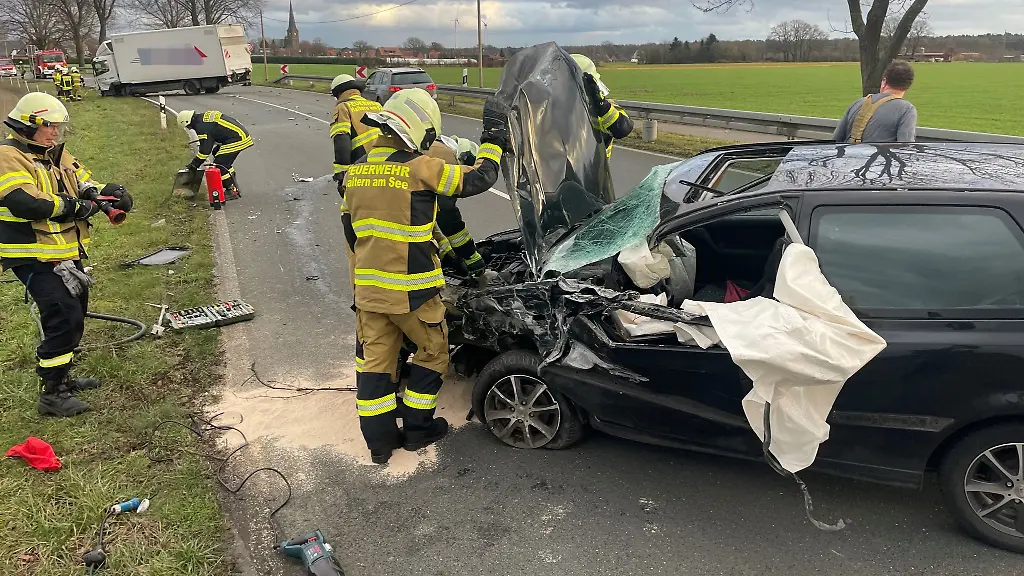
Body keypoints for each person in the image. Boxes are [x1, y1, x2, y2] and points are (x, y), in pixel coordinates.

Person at [342, 88, 507, 464]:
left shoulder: (356, 172)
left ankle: (380, 445)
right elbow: (478, 179)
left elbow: (354, 231)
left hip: (368, 291)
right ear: (420, 131)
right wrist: (494, 138)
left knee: (376, 366)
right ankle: (418, 431)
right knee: (432, 354)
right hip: (413, 293)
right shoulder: (419, 167)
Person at [0, 92, 133, 417]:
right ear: (26, 125)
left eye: (58, 126)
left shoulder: (53, 152)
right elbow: (26, 202)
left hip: (63, 251)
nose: (54, 132)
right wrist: (76, 207)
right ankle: (53, 394)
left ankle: (64, 377)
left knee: (77, 311)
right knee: (63, 316)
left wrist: (107, 194)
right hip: (31, 254)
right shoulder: (8, 156)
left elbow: (82, 180)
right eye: (48, 126)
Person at [833, 60, 918, 144]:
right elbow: (905, 147)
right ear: (908, 86)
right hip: (879, 157)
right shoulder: (907, 110)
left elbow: (835, 141)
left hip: (849, 156)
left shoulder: (857, 103)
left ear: (884, 81)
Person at [176, 110, 253, 200]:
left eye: (188, 126)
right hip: (237, 135)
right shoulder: (202, 119)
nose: (189, 129)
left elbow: (204, 151)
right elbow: (215, 132)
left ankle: (231, 191)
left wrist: (194, 165)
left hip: (237, 139)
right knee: (218, 155)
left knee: (219, 165)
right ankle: (233, 186)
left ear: (188, 122)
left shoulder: (201, 127)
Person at [571, 54, 633, 159]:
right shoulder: (553, 107)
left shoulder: (604, 106)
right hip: (560, 172)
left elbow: (623, 129)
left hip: (595, 170)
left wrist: (602, 106)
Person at [329, 74, 382, 193]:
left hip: (361, 167)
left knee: (356, 207)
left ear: (338, 93)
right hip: (384, 164)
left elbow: (341, 140)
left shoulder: (343, 108)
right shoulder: (377, 105)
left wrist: (342, 174)